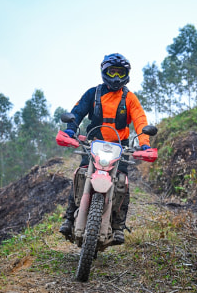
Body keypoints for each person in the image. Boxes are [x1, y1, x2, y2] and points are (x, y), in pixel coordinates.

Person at [58, 54, 152, 244]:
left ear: (126, 74)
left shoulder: (130, 98)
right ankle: (69, 218)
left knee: (122, 182)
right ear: (104, 72)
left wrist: (145, 144)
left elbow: (140, 120)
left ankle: (118, 226)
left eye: (121, 72)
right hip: (93, 144)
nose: (116, 77)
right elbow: (77, 112)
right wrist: (70, 130)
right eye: (112, 72)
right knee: (80, 174)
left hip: (120, 147)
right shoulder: (93, 93)